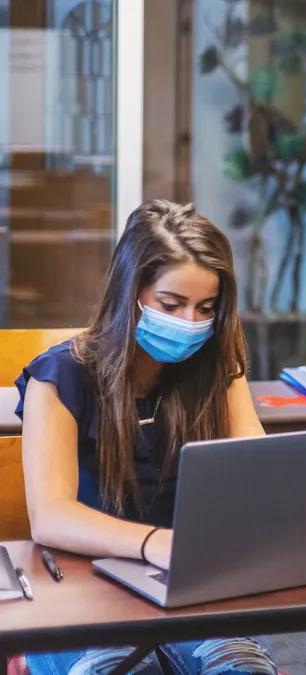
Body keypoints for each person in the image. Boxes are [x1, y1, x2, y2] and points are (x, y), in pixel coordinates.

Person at [16, 200, 278, 674]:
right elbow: (49, 516)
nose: (191, 323)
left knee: (242, 670)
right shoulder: (60, 376)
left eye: (207, 308)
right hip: (81, 578)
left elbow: (256, 471)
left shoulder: (217, 368)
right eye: (171, 305)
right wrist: (155, 542)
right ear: (129, 293)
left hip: (190, 579)